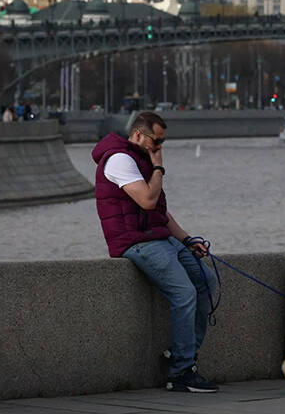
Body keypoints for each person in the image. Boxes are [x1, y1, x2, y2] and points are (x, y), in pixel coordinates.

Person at [92, 111, 219, 393]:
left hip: (159, 237)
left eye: (163, 142)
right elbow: (148, 201)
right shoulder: (119, 160)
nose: (159, 147)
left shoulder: (139, 159)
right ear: (138, 135)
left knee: (206, 282)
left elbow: (161, 212)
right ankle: (181, 373)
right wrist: (159, 167)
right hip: (136, 242)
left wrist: (187, 240)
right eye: (156, 141)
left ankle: (184, 355)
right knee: (183, 292)